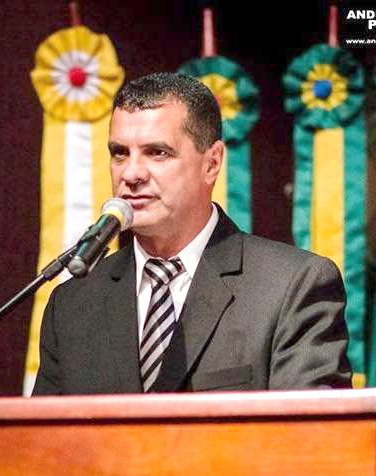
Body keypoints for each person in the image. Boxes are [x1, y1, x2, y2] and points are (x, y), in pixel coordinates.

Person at [33, 72, 351, 395]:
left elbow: (311, 427)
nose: (131, 173)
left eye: (157, 152)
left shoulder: (291, 286)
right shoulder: (71, 304)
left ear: (211, 163)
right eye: (120, 153)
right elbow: (44, 428)